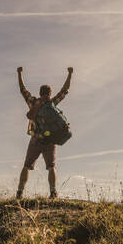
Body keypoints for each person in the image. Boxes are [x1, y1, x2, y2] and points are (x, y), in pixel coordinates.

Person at [16, 66, 73, 199]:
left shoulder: (33, 102)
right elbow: (65, 90)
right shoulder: (52, 103)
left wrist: (19, 74)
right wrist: (70, 74)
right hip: (50, 141)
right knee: (51, 166)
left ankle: (19, 192)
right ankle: (53, 192)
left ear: (40, 92)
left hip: (36, 139)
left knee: (26, 166)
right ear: (49, 93)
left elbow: (22, 90)